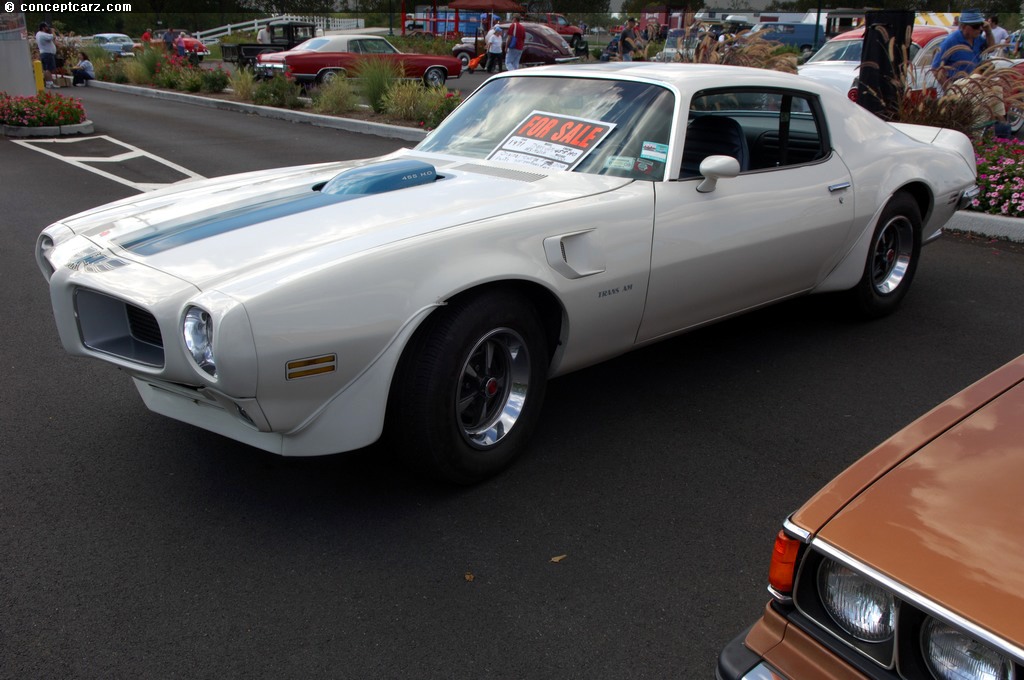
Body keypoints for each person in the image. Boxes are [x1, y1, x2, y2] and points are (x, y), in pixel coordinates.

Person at [931, 9, 993, 86]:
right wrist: (949, 89)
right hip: (958, 86)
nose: (980, 29)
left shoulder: (978, 38)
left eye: (981, 25)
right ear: (963, 26)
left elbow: (991, 49)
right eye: (976, 26)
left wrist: (988, 32)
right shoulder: (950, 41)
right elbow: (935, 68)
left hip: (974, 85)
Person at [35, 22, 58, 88]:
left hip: (44, 53)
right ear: (43, 28)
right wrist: (53, 31)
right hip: (48, 53)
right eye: (47, 27)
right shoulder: (43, 35)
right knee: (49, 69)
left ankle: (48, 82)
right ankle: (50, 83)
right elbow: (53, 37)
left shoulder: (38, 34)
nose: (48, 28)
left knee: (46, 69)